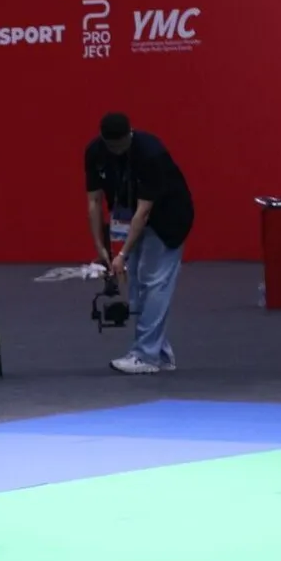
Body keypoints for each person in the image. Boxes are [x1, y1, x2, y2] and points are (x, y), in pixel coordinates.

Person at [84, 112, 194, 374]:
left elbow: (144, 213)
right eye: (112, 147)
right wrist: (102, 249)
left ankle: (146, 356)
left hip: (168, 218)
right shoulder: (95, 152)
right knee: (135, 284)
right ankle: (161, 354)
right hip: (131, 216)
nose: (117, 151)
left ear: (130, 134)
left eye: (121, 146)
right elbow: (94, 201)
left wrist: (122, 254)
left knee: (154, 283)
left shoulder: (150, 153)